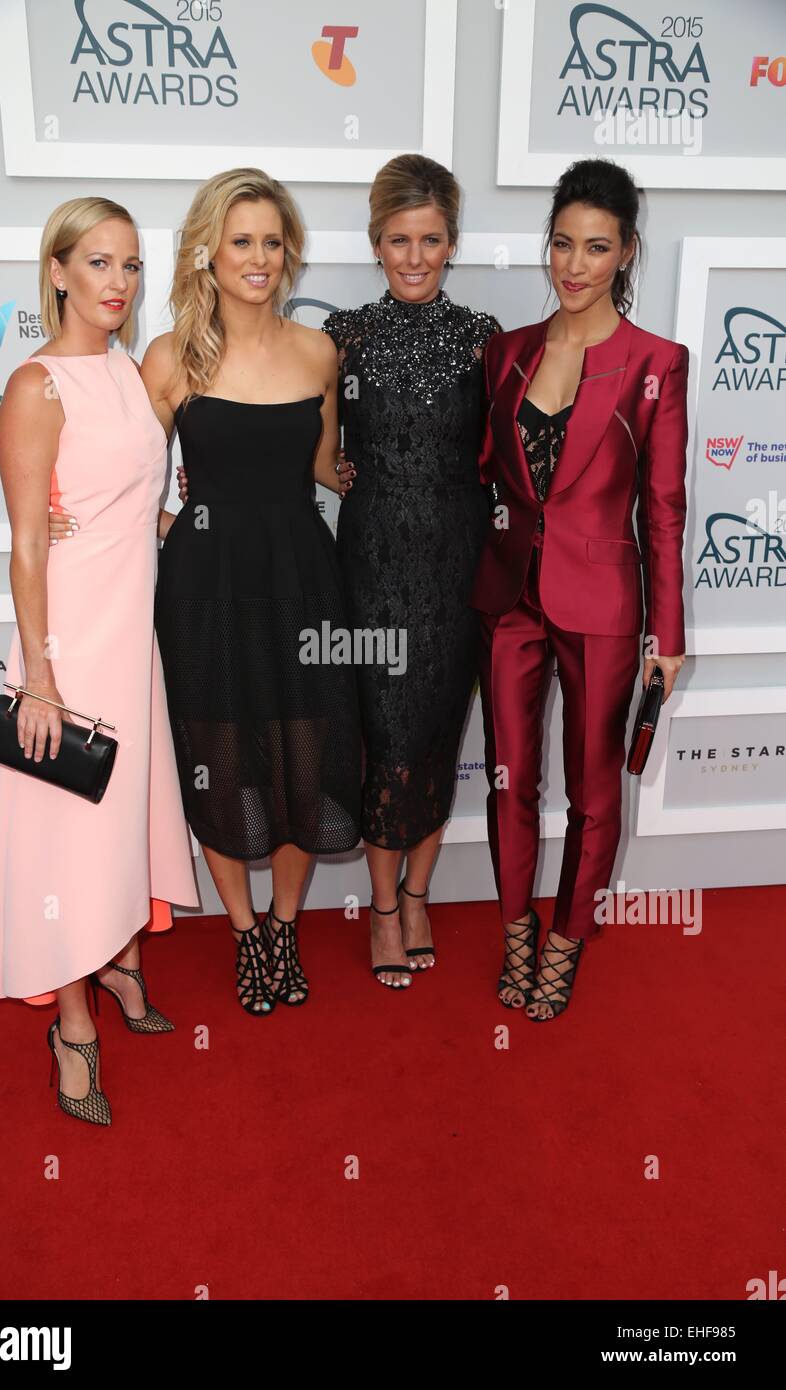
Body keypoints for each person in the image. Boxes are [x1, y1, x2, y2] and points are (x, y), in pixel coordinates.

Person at [0, 197, 200, 1126]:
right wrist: (39, 675)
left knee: (121, 816)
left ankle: (116, 961)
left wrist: (141, 515)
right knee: (66, 830)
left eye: (132, 266)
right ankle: (72, 1025)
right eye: (99, 264)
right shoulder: (38, 385)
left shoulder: (127, 372)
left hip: (127, 629)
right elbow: (27, 546)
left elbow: (145, 501)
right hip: (66, 639)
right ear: (58, 271)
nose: (119, 283)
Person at [472, 158, 688, 1021]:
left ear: (627, 251)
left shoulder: (656, 363)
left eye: (596, 248)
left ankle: (565, 943)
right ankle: (517, 929)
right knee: (507, 779)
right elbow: (487, 473)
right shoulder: (508, 351)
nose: (574, 264)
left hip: (603, 603)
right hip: (509, 599)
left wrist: (667, 635)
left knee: (595, 792)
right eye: (562, 243)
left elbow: (665, 508)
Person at [142, 169, 360, 1015]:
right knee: (222, 756)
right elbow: (128, 479)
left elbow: (321, 468)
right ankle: (242, 932)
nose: (260, 258)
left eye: (274, 241)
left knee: (309, 754)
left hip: (305, 578)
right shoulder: (171, 358)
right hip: (206, 587)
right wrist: (164, 526)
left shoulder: (317, 352)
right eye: (243, 241)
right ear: (209, 250)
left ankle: (284, 924)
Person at [320, 154, 501, 989]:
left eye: (431, 239)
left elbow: (507, 460)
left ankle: (419, 893)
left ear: (452, 242)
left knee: (436, 734)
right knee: (384, 737)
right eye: (399, 239)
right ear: (376, 241)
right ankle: (383, 906)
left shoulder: (483, 340)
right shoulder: (341, 336)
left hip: (458, 563)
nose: (416, 256)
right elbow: (317, 455)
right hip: (371, 566)